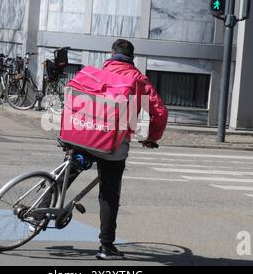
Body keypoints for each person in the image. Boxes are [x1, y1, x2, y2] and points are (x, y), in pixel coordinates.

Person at [38, 39, 169, 260]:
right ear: (132, 58)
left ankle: (40, 211)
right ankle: (106, 247)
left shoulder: (98, 72)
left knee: (68, 172)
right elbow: (159, 112)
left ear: (111, 55)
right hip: (112, 146)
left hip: (83, 136)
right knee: (109, 194)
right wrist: (151, 137)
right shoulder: (139, 81)